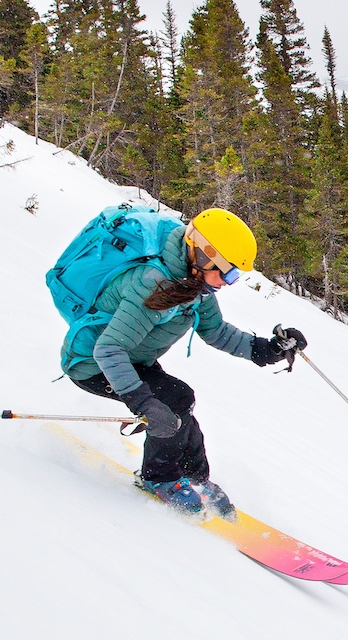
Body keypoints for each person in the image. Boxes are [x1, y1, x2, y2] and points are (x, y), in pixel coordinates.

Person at [61, 207, 307, 514]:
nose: (229, 281)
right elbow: (108, 349)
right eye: (227, 271)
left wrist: (266, 349)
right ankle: (159, 479)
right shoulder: (152, 284)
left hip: (132, 359)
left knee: (180, 407)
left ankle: (194, 478)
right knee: (173, 401)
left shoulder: (196, 285)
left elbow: (215, 330)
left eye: (236, 275)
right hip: (92, 364)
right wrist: (142, 402)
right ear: (203, 255)